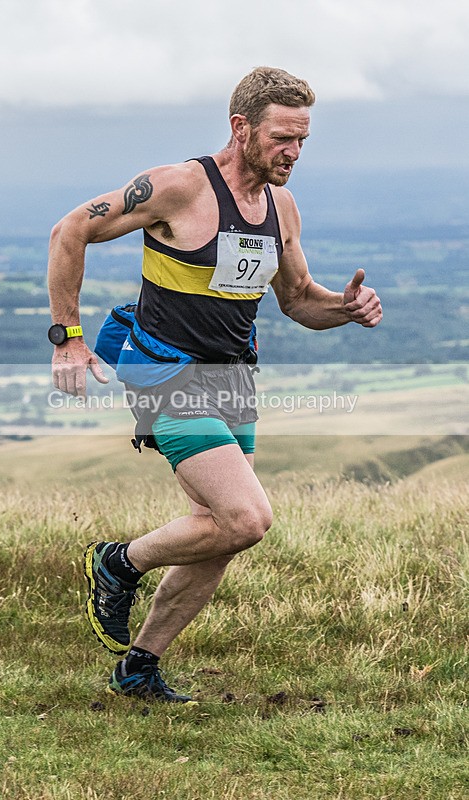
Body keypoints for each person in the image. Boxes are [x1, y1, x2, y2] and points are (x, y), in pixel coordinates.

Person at [48, 66, 382, 703]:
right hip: (165, 372)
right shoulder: (178, 186)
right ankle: (119, 562)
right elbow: (71, 230)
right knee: (247, 517)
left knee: (218, 532)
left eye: (303, 141)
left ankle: (139, 668)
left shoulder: (280, 206)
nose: (293, 153)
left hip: (233, 380)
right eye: (282, 137)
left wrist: (345, 308)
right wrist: (67, 337)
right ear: (241, 127)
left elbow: (297, 300)